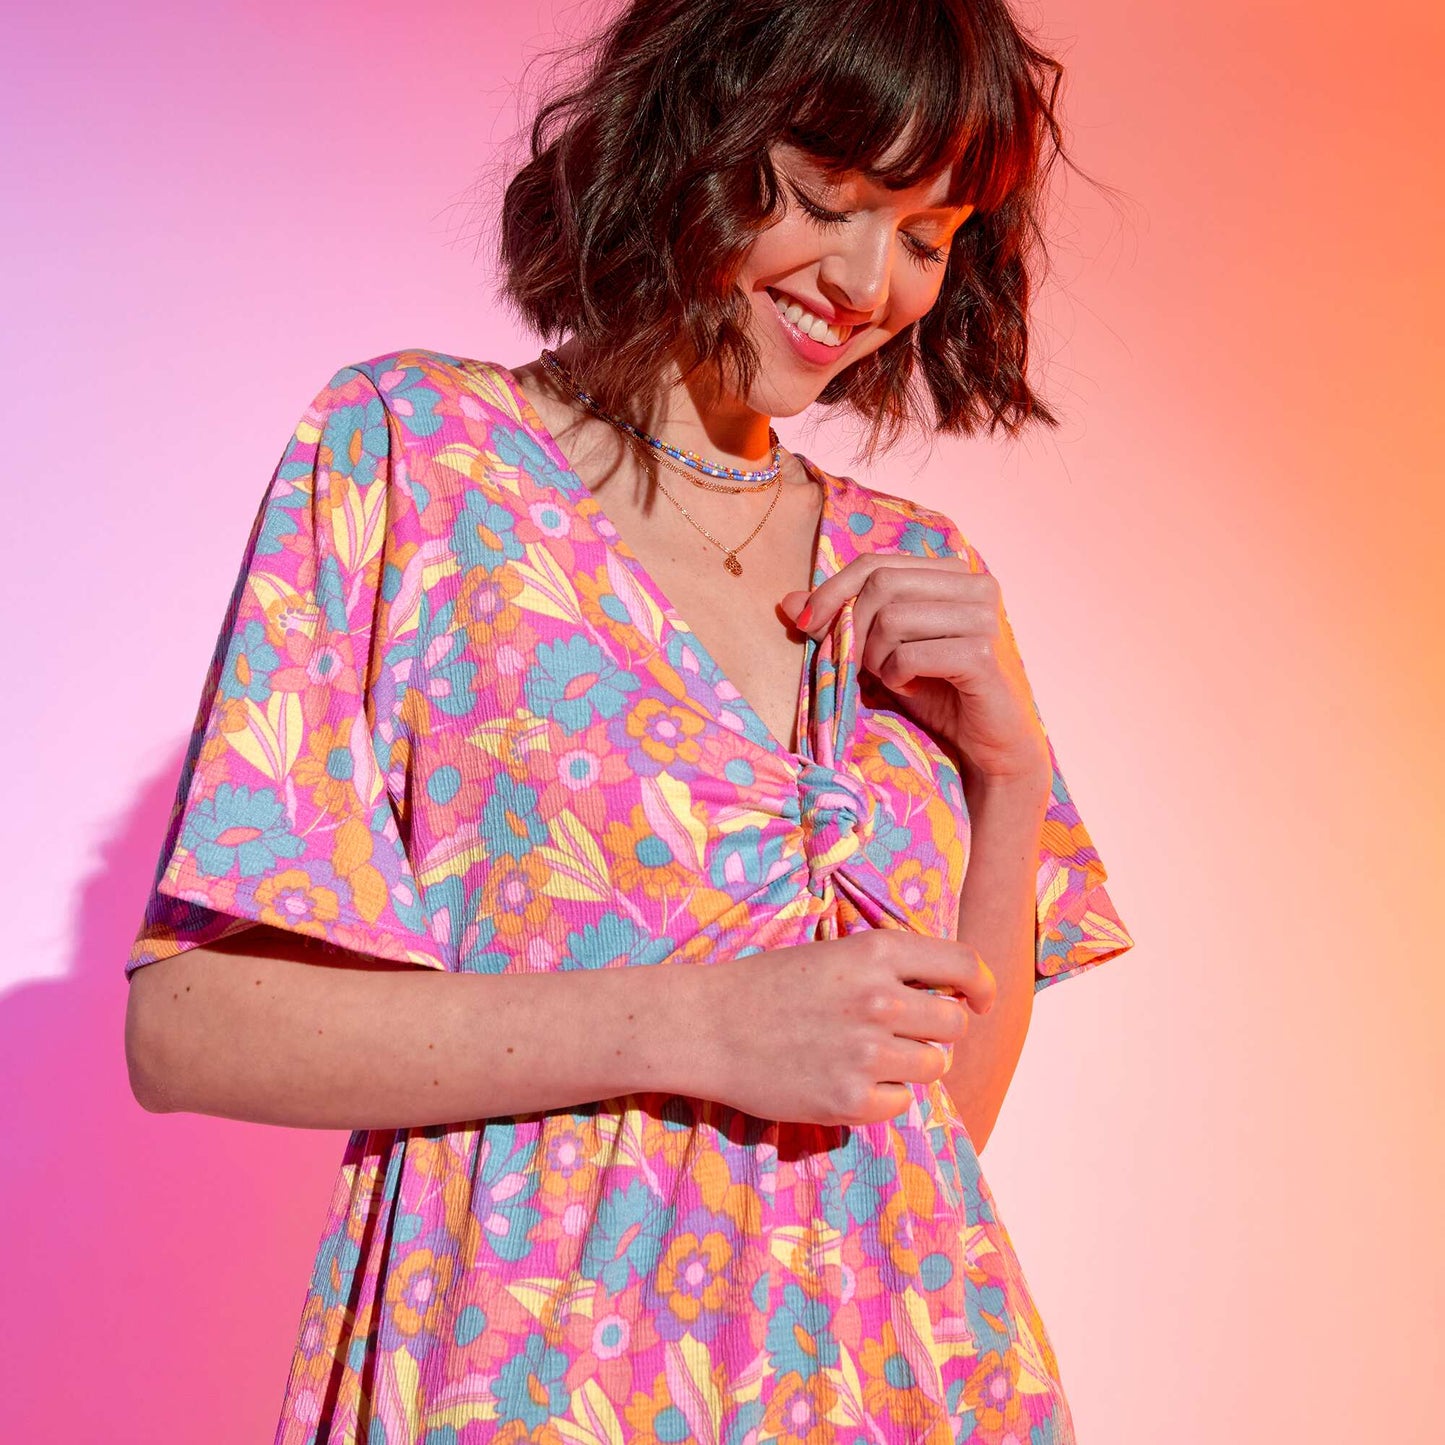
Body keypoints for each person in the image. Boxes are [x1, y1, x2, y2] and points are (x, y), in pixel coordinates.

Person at [123, 0, 1135, 1439]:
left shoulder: (914, 572)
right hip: (527, 1378)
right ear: (690, 136)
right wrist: (697, 1023)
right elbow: (189, 1027)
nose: (867, 283)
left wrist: (1010, 772)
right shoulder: (419, 455)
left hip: (897, 1388)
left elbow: (931, 1147)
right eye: (828, 200)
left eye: (927, 236)